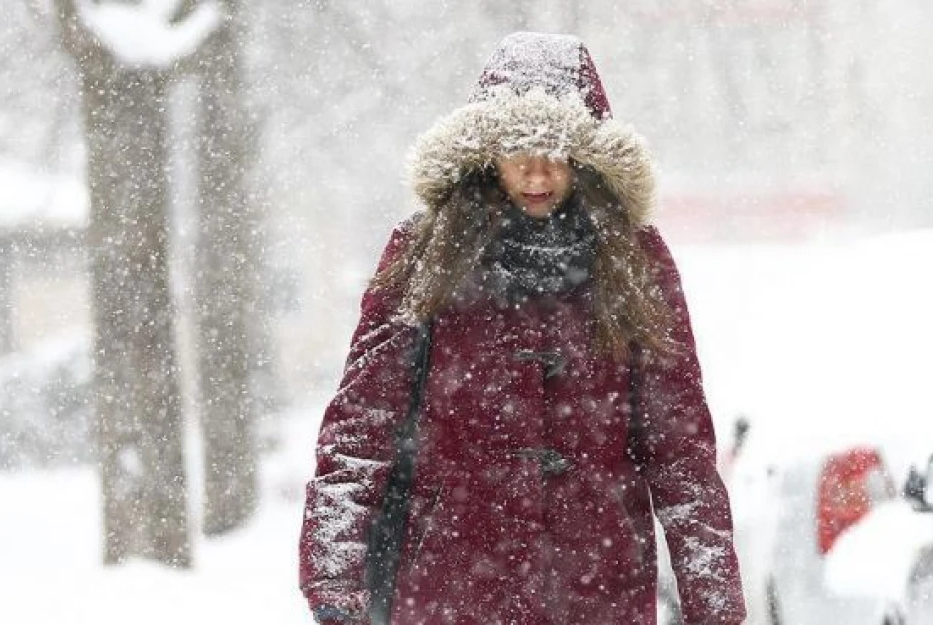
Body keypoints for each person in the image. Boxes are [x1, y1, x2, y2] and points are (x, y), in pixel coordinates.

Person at [298, 32, 746, 625]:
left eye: (556, 152)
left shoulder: (635, 262)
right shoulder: (425, 254)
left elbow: (680, 452)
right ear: (486, 153)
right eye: (518, 151)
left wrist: (713, 604)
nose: (536, 173)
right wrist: (334, 585)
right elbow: (361, 430)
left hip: (597, 590)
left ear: (587, 159)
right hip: (453, 589)